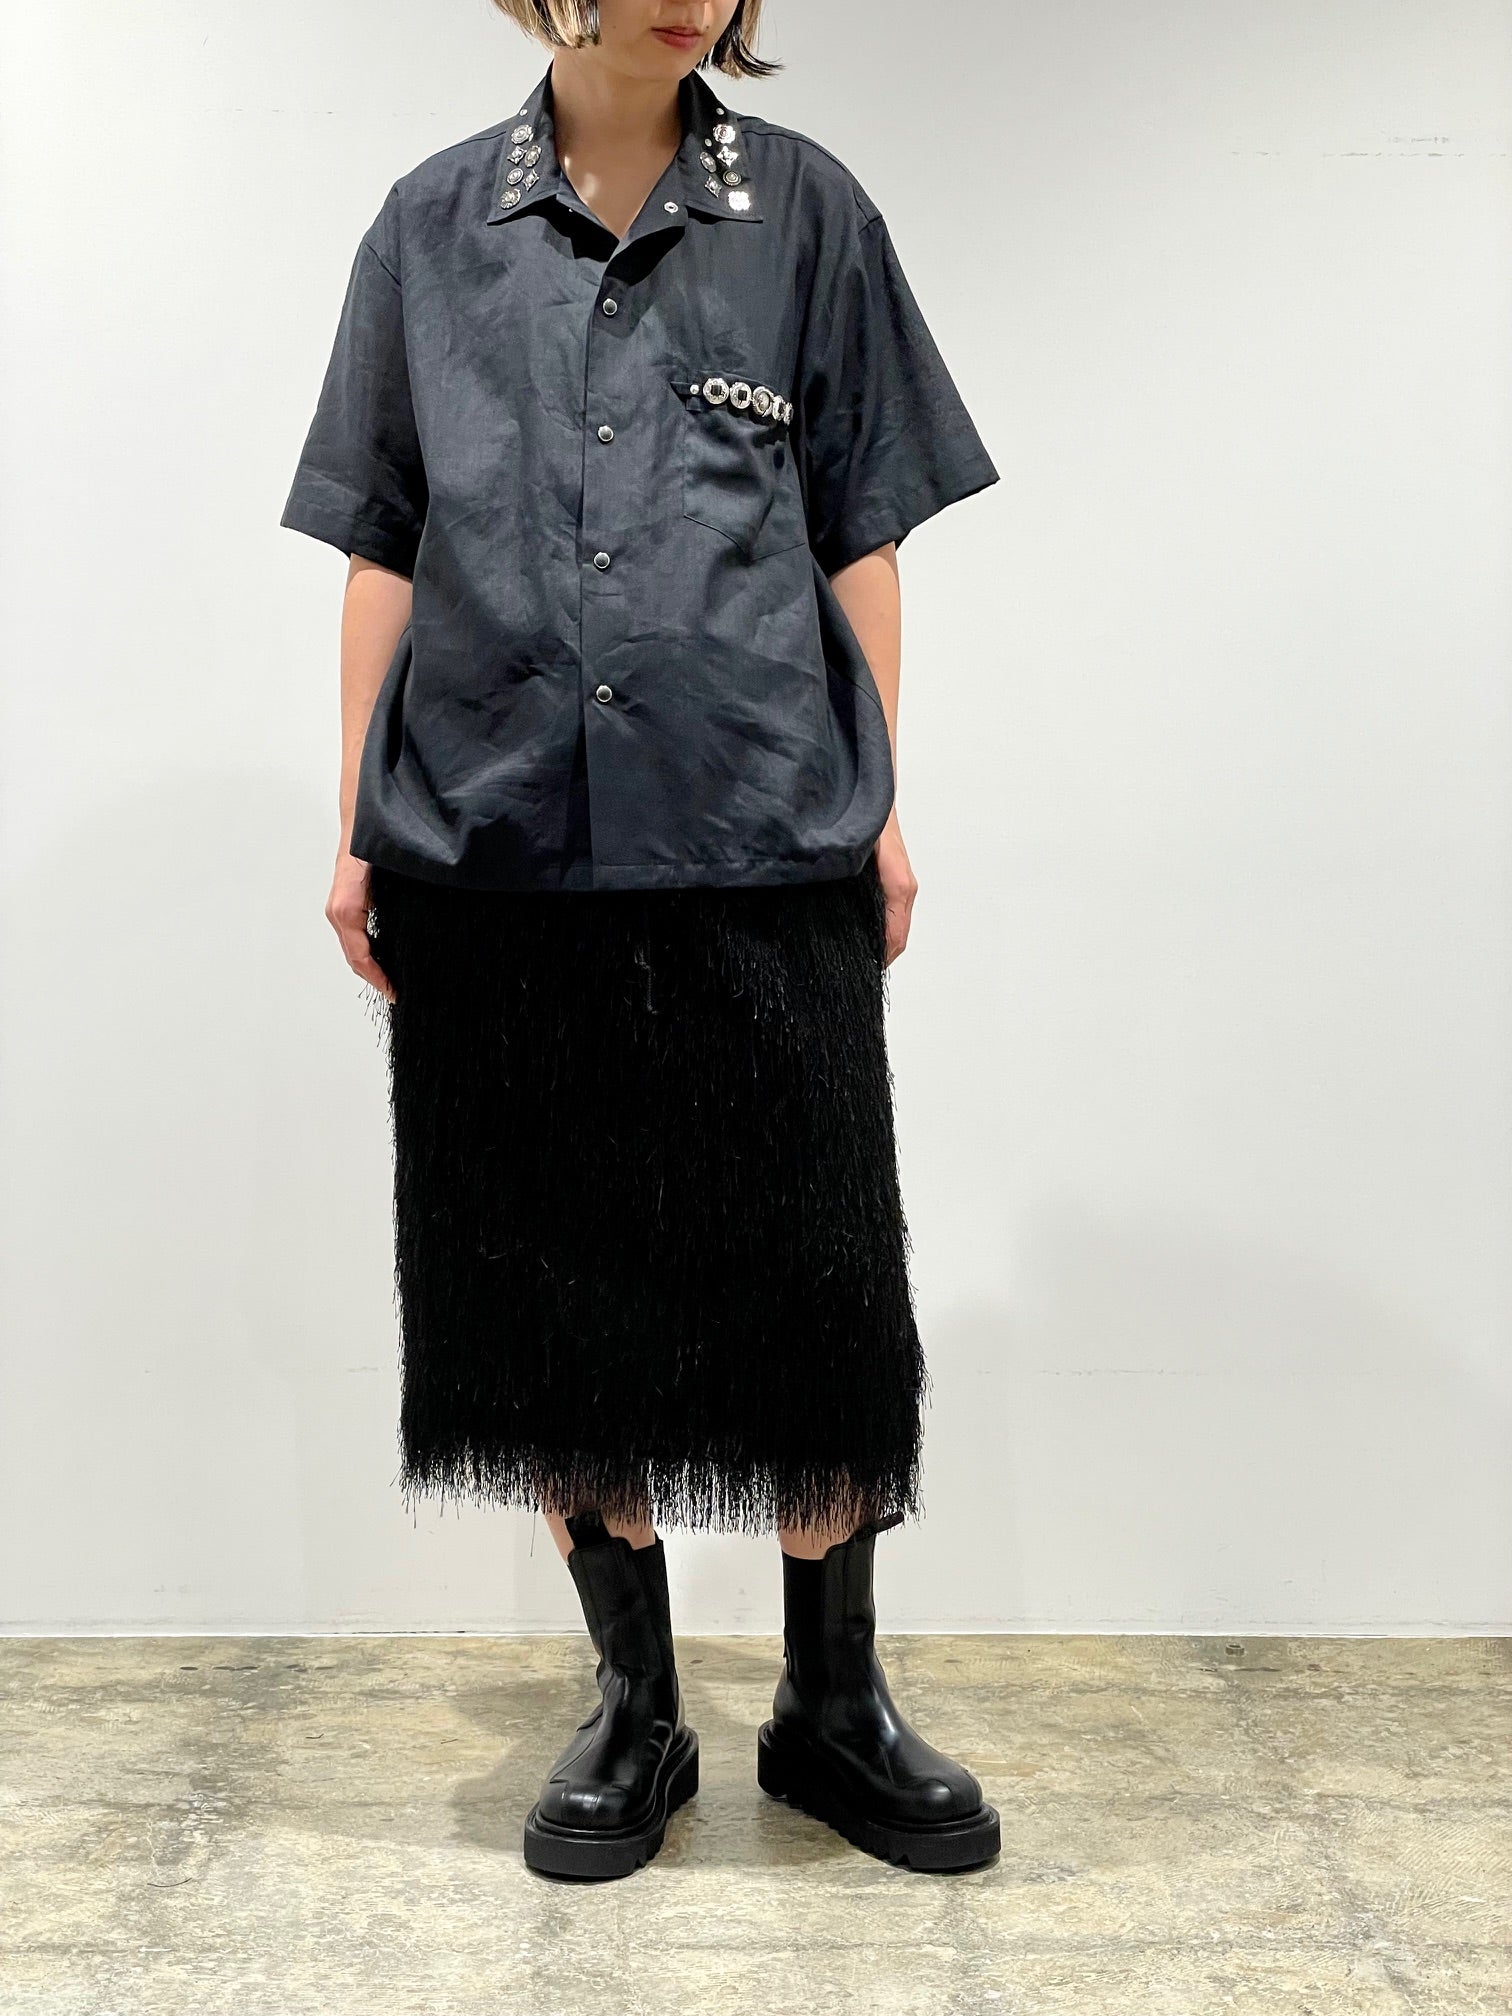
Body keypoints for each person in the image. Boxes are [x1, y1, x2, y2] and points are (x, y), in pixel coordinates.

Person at [280, 0, 1001, 1882]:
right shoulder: (428, 227)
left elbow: (860, 527)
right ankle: (635, 1701)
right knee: (547, 1296)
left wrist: (879, 793)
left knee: (821, 1289)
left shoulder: (808, 214)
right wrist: (356, 817)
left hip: (759, 825)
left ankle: (835, 1704)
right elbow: (382, 536)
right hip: (496, 840)